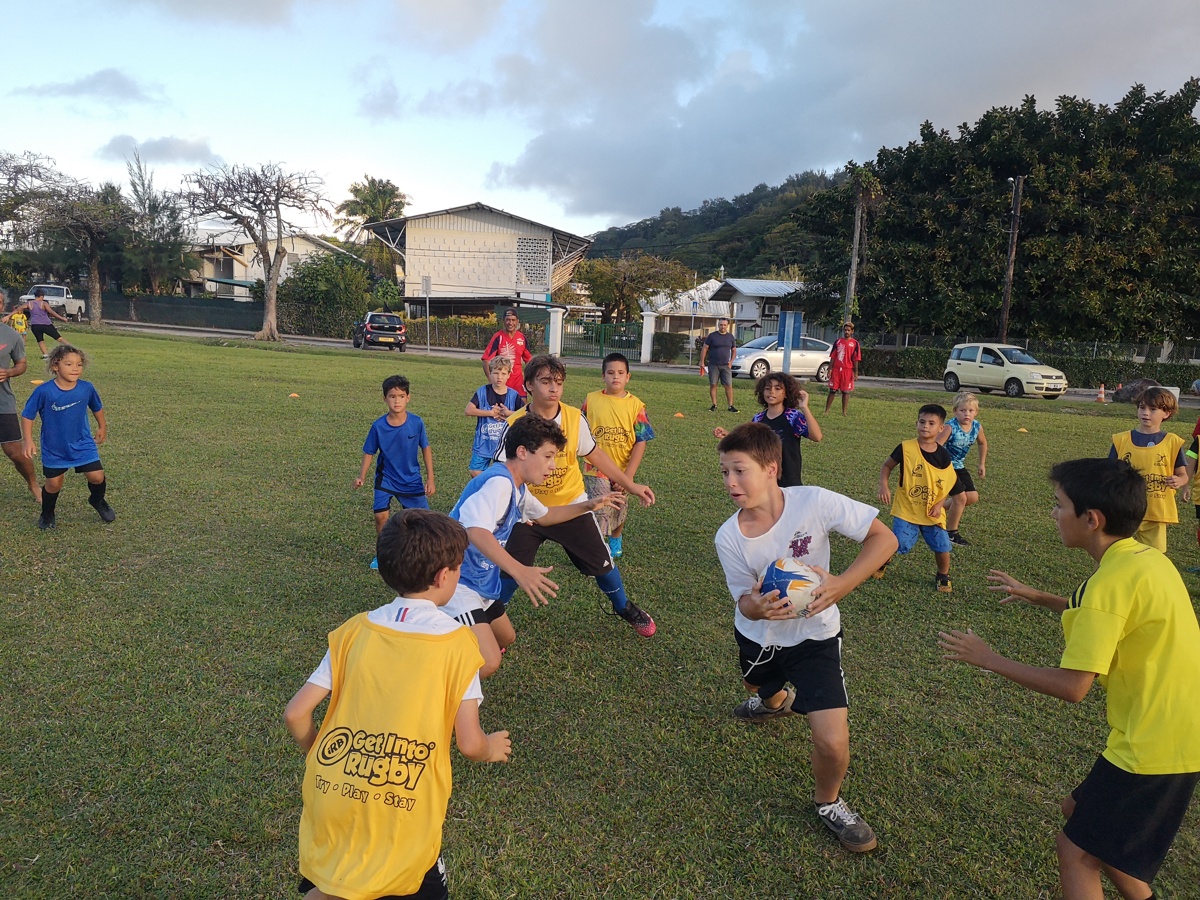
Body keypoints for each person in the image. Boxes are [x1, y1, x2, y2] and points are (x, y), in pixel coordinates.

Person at [938, 458, 1200, 900]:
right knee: (1078, 812)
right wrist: (1036, 595)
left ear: (1091, 519)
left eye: (1059, 505)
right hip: (1179, 730)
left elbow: (1072, 686)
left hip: (1154, 745)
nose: (1053, 513)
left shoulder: (1108, 585)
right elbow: (1105, 612)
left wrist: (989, 659)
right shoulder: (1146, 559)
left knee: (1076, 851)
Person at [284, 508, 512, 900]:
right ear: (443, 577)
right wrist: (492, 748)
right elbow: (469, 743)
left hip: (332, 788)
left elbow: (296, 712)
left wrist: (322, 754)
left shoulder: (354, 630)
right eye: (458, 568)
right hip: (405, 804)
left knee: (333, 883)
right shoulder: (459, 645)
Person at [714, 422, 897, 853]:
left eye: (739, 471)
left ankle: (828, 802)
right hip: (760, 637)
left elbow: (883, 539)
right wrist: (757, 608)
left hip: (815, 637)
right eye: (724, 472)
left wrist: (841, 584)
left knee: (832, 740)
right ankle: (772, 702)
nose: (730, 482)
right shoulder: (729, 537)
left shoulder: (813, 501)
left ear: (771, 468)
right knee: (757, 684)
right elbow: (743, 601)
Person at [491, 355, 658, 637]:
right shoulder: (515, 424)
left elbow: (595, 455)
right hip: (526, 512)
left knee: (603, 565)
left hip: (571, 506)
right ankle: (494, 626)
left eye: (558, 382)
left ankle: (624, 607)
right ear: (529, 385)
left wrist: (630, 484)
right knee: (509, 572)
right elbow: (501, 473)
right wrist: (514, 508)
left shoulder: (572, 417)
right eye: (545, 381)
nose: (553, 388)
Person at [444, 416, 625, 675]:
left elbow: (545, 516)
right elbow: (476, 531)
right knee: (489, 661)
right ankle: (434, 688)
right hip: (455, 582)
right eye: (548, 456)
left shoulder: (517, 488)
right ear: (522, 452)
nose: (552, 466)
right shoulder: (499, 484)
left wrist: (589, 505)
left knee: (506, 637)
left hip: (479, 582)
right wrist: (519, 570)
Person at [20, 344, 113, 529]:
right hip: (55, 447)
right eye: (69, 364)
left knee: (97, 476)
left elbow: (97, 407)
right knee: (54, 484)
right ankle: (47, 514)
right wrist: (28, 440)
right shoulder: (44, 391)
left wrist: (102, 427)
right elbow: (27, 415)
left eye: (79, 364)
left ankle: (97, 500)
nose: (75, 368)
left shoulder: (86, 388)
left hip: (82, 443)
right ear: (55, 366)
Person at [876, 403, 963, 592]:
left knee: (942, 545)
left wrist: (940, 504)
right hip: (907, 508)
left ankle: (943, 575)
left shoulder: (943, 456)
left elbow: (948, 482)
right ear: (916, 423)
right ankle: (883, 559)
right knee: (899, 542)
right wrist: (884, 485)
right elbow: (887, 466)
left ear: (941, 428)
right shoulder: (905, 448)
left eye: (931, 423)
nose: (925, 426)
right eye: (922, 422)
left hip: (932, 511)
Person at [354, 375, 435, 569]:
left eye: (401, 396)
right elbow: (369, 452)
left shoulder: (417, 423)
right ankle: (383, 554)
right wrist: (361, 476)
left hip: (411, 480)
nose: (396, 401)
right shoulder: (378, 426)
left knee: (423, 520)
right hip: (386, 479)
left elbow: (425, 448)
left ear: (408, 398)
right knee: (380, 517)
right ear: (385, 399)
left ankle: (421, 555)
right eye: (392, 396)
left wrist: (430, 478)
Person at [580, 352, 654, 558]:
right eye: (611, 372)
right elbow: (579, 428)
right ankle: (598, 548)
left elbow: (641, 441)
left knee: (620, 508)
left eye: (621, 373)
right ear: (603, 375)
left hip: (622, 469)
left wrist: (628, 477)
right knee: (601, 507)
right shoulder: (591, 400)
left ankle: (616, 539)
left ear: (628, 377)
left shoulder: (636, 405)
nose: (616, 377)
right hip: (595, 468)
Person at [1106, 386, 1187, 553]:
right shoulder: (1122, 440)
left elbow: (1183, 475)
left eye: (1153, 409)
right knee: (1114, 551)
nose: (1146, 413)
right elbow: (1108, 472)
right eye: (1142, 407)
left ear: (1166, 413)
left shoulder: (1172, 442)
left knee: (1153, 555)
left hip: (1155, 511)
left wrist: (1178, 480)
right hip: (1125, 509)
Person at [714, 372, 823, 487]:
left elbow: (817, 436)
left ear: (786, 393)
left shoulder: (793, 417)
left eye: (777, 388)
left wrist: (804, 408)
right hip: (764, 480)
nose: (771, 391)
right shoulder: (758, 419)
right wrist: (728, 435)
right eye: (767, 388)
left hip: (789, 481)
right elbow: (749, 443)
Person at [936, 391, 988, 546]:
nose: (967, 414)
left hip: (959, 466)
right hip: (945, 467)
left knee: (972, 497)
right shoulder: (950, 427)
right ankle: (951, 533)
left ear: (976, 412)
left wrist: (981, 463)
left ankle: (934, 511)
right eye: (963, 410)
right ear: (955, 411)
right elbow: (936, 447)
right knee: (960, 499)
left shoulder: (976, 426)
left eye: (971, 410)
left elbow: (982, 443)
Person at [0, 319, 40, 501]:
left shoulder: (11, 335)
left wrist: (9, 372)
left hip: (3, 402)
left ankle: (34, 485)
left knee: (15, 451)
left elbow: (21, 364)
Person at [465, 357, 524, 477]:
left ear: (509, 375)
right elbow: (468, 410)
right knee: (474, 470)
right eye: (496, 373)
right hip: (483, 442)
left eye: (503, 374)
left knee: (505, 474)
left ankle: (496, 485)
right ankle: (490, 484)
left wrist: (508, 413)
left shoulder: (514, 395)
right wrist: (490, 413)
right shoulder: (482, 391)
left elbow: (525, 415)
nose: (499, 377)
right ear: (490, 373)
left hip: (505, 444)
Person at [2, 289, 70, 359]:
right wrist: (62, 318)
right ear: (42, 297)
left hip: (35, 325)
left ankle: (45, 355)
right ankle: (71, 348)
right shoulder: (44, 303)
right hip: (46, 324)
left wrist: (8, 316)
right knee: (58, 338)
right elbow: (51, 312)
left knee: (40, 340)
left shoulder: (29, 303)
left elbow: (18, 309)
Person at [480, 308, 533, 399]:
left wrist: (530, 378)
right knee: (502, 406)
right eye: (508, 320)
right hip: (502, 380)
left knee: (522, 405)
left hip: (518, 381)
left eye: (513, 320)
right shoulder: (498, 337)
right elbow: (486, 360)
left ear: (517, 321)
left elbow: (529, 361)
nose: (510, 323)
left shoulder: (522, 338)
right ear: (503, 321)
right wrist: (491, 380)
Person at [699, 317, 738, 412]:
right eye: (721, 325)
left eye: (724, 325)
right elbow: (705, 348)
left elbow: (734, 350)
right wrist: (702, 361)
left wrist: (731, 361)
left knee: (728, 385)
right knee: (713, 384)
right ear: (718, 325)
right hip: (713, 365)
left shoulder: (730, 337)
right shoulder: (712, 336)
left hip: (726, 366)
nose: (722, 327)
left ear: (727, 326)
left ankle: (730, 406)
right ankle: (714, 405)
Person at [824, 322, 862, 416]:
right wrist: (830, 369)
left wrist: (856, 372)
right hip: (836, 369)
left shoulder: (855, 344)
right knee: (832, 390)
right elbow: (833, 357)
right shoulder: (838, 342)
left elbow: (856, 359)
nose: (846, 332)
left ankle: (844, 412)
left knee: (845, 391)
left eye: (848, 330)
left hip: (847, 370)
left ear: (852, 331)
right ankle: (827, 411)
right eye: (845, 330)